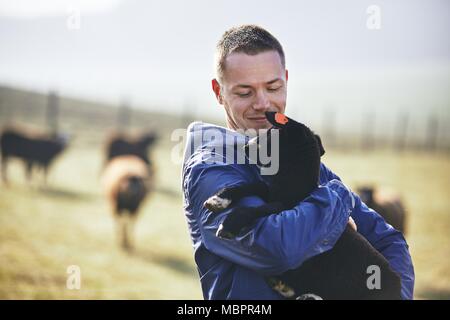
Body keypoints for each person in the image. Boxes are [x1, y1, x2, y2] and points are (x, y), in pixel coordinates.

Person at [182, 24, 414, 300]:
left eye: (273, 87)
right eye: (245, 92)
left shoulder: (293, 155)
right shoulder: (209, 170)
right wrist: (339, 199)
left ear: (286, 80)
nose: (264, 103)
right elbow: (277, 248)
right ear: (218, 91)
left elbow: (391, 242)